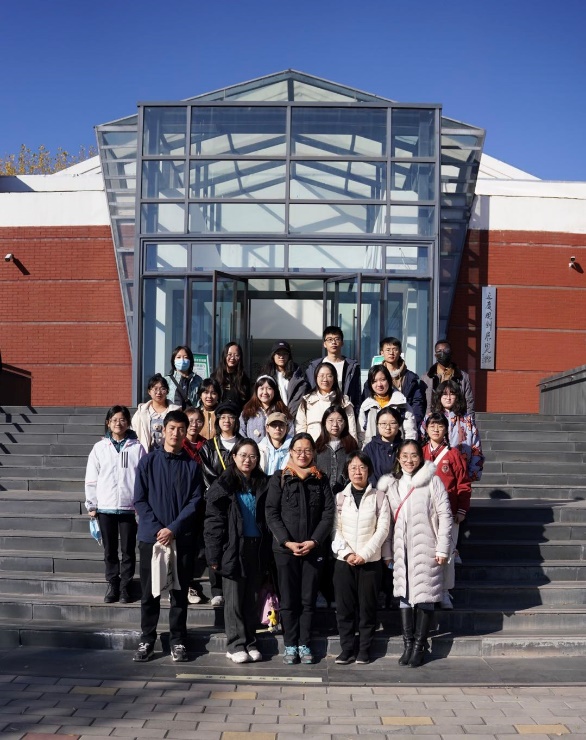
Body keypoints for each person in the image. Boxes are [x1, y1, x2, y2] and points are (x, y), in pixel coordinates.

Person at [132, 410, 203, 663]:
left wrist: (173, 528)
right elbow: (139, 499)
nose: (176, 433)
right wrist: (158, 530)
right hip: (151, 539)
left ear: (186, 433)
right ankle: (147, 639)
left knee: (179, 593)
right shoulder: (148, 462)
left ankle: (178, 640)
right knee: (149, 593)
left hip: (180, 537)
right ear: (163, 430)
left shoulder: (192, 466)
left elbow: (195, 501)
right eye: (171, 428)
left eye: (181, 429)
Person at [377, 440, 452, 668]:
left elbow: (445, 515)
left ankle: (419, 646)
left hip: (427, 547)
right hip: (401, 550)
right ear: (398, 458)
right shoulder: (392, 485)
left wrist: (442, 548)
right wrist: (387, 552)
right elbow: (387, 522)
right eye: (405, 455)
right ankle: (408, 644)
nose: (409, 460)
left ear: (421, 457)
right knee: (404, 596)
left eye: (414, 455)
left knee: (425, 596)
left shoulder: (432, 481)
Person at [265, 433, 335, 665]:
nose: (302, 454)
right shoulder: (280, 478)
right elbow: (271, 513)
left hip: (313, 550)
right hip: (285, 551)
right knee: (288, 600)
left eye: (307, 450)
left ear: (313, 453)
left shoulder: (320, 479)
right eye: (298, 450)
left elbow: (328, 513)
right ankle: (290, 644)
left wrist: (314, 541)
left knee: (307, 599)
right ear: (291, 452)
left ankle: (304, 643)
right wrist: (286, 541)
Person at [204, 439, 270, 664]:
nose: (247, 460)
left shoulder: (263, 483)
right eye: (243, 455)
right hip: (232, 548)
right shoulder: (223, 485)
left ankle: (250, 642)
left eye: (252, 456)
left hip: (257, 548)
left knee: (252, 598)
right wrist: (213, 555)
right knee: (233, 600)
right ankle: (235, 645)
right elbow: (213, 523)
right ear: (233, 457)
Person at [332, 450, 391, 665]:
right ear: (347, 471)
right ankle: (347, 649)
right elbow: (334, 529)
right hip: (344, 562)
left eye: (362, 467)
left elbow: (383, 530)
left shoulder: (379, 497)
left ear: (369, 470)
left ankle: (365, 649)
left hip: (370, 562)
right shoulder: (340, 498)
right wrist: (347, 553)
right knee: (344, 608)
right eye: (353, 468)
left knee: (367, 608)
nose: (358, 472)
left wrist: (364, 555)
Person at [84, 406, 146, 604]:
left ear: (128, 422)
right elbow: (91, 478)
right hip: (106, 506)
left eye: (122, 419)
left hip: (129, 507)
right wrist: (92, 504)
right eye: (114, 420)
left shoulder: (137, 447)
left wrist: (141, 504)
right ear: (108, 423)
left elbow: (143, 478)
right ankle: (113, 583)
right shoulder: (99, 448)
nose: (118, 423)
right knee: (110, 549)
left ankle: (126, 586)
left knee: (128, 550)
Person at [422, 413, 471, 610]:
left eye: (440, 426)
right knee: (427, 552)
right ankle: (428, 590)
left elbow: (463, 484)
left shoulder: (453, 454)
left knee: (447, 552)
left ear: (446, 430)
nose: (436, 429)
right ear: (426, 429)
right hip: (424, 512)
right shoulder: (420, 452)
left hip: (449, 512)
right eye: (432, 426)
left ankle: (444, 591)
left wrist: (462, 509)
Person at [199, 401, 244, 607]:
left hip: (240, 500)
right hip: (217, 501)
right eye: (223, 417)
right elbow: (207, 474)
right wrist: (220, 491)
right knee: (215, 542)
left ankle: (233, 585)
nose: (227, 421)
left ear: (236, 421)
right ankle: (216, 589)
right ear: (218, 421)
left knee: (236, 540)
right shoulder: (209, 446)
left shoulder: (243, 443)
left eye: (231, 417)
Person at [427, 380, 484, 482]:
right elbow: (423, 444)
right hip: (435, 473)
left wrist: (471, 473)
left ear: (457, 397)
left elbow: (476, 448)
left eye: (452, 394)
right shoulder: (429, 418)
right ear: (439, 396)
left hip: (461, 473)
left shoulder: (467, 420)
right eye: (444, 394)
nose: (448, 398)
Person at [362, 337, 426, 427]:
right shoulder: (373, 377)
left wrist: (411, 423)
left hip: (405, 424)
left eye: (395, 349)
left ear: (400, 352)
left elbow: (417, 403)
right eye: (388, 350)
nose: (391, 353)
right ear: (382, 352)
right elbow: (366, 402)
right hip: (378, 425)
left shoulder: (411, 378)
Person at [296, 362, 358, 442]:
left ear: (334, 378)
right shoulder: (307, 400)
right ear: (316, 377)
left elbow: (352, 430)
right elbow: (300, 429)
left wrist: (353, 446)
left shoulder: (344, 402)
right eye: (321, 376)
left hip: (338, 447)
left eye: (329, 376)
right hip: (313, 447)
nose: (325, 379)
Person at [305, 326, 361, 413]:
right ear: (324, 344)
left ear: (342, 343)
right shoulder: (314, 366)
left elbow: (357, 394)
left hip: (344, 411)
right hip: (320, 410)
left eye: (337, 339)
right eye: (330, 339)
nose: (333, 342)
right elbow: (309, 390)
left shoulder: (351, 367)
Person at [358, 365, 417, 445]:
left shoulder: (401, 403)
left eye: (383, 380)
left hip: (398, 449)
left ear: (389, 380)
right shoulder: (366, 406)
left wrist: (407, 449)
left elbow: (410, 431)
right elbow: (361, 434)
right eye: (374, 381)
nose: (379, 384)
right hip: (373, 450)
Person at [421, 340, 475, 418]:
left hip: (457, 419)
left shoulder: (463, 377)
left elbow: (469, 402)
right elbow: (421, 402)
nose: (442, 353)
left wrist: (470, 421)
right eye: (439, 351)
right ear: (435, 355)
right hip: (433, 419)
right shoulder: (426, 378)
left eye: (446, 350)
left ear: (451, 353)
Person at [315, 405, 358, 494]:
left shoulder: (352, 445)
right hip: (321, 494)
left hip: (346, 494)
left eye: (339, 420)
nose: (335, 424)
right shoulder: (317, 446)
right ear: (324, 423)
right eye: (331, 420)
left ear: (345, 423)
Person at [131, 374, 181, 451]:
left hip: (170, 454)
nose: (158, 392)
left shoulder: (176, 411)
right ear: (149, 391)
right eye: (155, 389)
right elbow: (133, 433)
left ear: (167, 391)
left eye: (162, 389)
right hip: (146, 454)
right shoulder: (141, 413)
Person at [261, 340, 310, 417]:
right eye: (278, 353)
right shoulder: (266, 375)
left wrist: (288, 416)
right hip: (271, 416)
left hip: (292, 417)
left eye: (284, 353)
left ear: (289, 356)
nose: (281, 356)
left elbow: (298, 399)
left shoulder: (297, 376)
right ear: (273, 355)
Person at [239, 375, 290, 442]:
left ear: (275, 391)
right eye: (261, 388)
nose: (265, 392)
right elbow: (241, 430)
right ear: (256, 390)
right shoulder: (248, 410)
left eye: (269, 388)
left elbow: (290, 432)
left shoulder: (282, 410)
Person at [363, 407, 403, 485]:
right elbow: (367, 474)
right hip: (375, 490)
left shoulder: (404, 447)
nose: (388, 427)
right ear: (377, 425)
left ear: (399, 425)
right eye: (383, 423)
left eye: (392, 423)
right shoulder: (369, 449)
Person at [211, 342, 251, 413]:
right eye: (229, 354)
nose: (232, 358)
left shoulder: (244, 379)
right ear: (224, 355)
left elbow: (247, 402)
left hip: (237, 416)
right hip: (218, 415)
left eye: (236, 355)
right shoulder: (215, 377)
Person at [165, 345, 203, 409]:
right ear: (173, 361)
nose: (182, 360)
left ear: (190, 361)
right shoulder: (167, 380)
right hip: (173, 414)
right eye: (178, 357)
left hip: (191, 414)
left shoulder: (198, 380)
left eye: (186, 357)